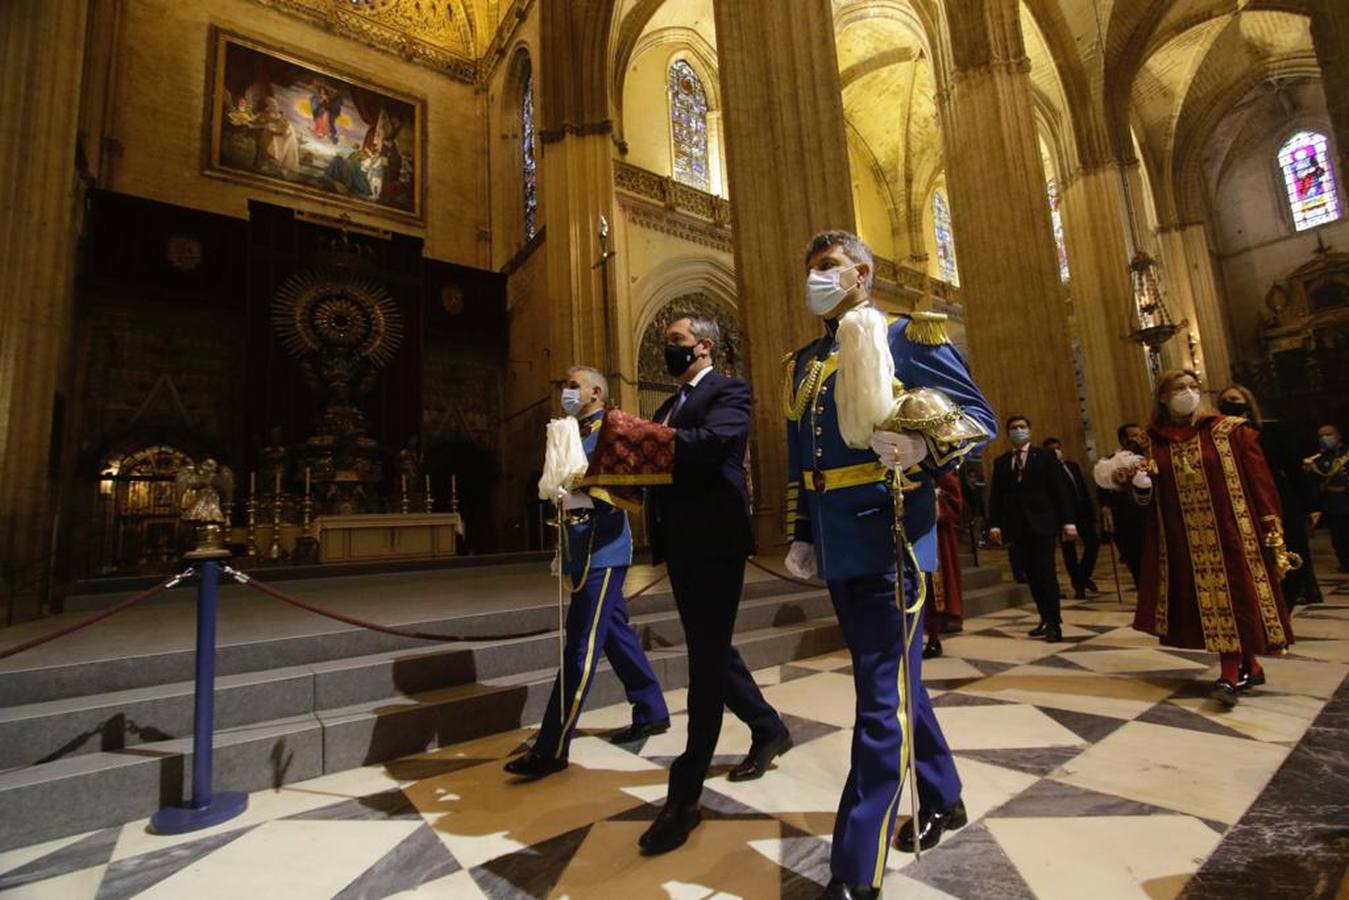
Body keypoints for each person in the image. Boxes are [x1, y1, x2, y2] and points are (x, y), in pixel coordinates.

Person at [782, 230, 995, 899]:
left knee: (878, 701)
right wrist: (799, 531)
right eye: (810, 270)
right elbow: (801, 455)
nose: (816, 279)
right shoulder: (806, 362)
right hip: (835, 539)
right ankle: (944, 795)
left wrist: (921, 449)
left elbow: (978, 419)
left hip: (890, 536)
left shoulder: (908, 337)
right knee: (894, 684)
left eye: (827, 268)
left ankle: (856, 864)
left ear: (861, 272)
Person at [637, 315, 791, 855]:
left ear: (703, 347)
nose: (669, 348)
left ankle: (684, 795)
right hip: (679, 542)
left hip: (715, 540)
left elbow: (711, 444)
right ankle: (768, 727)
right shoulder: (666, 406)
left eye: (677, 341)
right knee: (711, 647)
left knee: (704, 663)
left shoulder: (730, 391)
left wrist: (643, 438)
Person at [504, 367, 671, 778]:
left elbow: (627, 482)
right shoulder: (568, 432)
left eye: (574, 385)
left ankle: (552, 746)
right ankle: (651, 708)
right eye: (564, 385)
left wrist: (581, 484)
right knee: (612, 628)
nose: (566, 391)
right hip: (576, 546)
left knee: (580, 643)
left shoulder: (613, 430)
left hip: (606, 548)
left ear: (596, 391)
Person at [1127, 370, 1295, 707]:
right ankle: (1251, 664)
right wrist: (1140, 484)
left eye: (1193, 387)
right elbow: (1145, 499)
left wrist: (1272, 532)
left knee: (1234, 601)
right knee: (1209, 605)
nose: (1188, 393)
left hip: (1232, 532)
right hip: (1182, 536)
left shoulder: (1229, 432)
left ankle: (1229, 675)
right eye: (1179, 388)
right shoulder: (1151, 441)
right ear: (1163, 396)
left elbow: (1262, 485)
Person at [1217, 385, 1320, 606]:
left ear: (1247, 402)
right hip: (1241, 500)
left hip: (1278, 497)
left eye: (1234, 399)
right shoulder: (1217, 438)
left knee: (1287, 552)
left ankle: (1291, 600)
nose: (1229, 403)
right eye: (1224, 400)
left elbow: (1293, 469)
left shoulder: (1270, 433)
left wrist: (1311, 505)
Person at [987, 416, 1077, 641]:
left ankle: (1055, 623)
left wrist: (1068, 522)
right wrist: (995, 524)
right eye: (1014, 428)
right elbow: (996, 497)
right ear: (1008, 433)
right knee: (1031, 576)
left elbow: (1060, 491)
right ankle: (1044, 618)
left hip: (1043, 523)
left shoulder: (1045, 456)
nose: (1018, 431)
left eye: (1022, 427)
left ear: (1029, 430)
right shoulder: (1001, 462)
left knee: (1046, 573)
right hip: (1017, 526)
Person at [1094, 423, 1150, 589]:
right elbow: (1103, 487)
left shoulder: (1150, 456)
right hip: (1125, 516)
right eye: (1133, 435)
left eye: (1140, 435)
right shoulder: (1112, 461)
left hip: (1151, 514)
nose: (1138, 439)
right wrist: (1105, 507)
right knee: (1134, 556)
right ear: (1123, 439)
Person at [1043, 437, 1099, 598]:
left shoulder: (1072, 466)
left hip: (1082, 511)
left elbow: (1083, 488)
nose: (1056, 452)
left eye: (1057, 448)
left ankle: (1082, 575)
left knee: (1093, 543)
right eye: (1052, 450)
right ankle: (1078, 585)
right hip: (1063, 515)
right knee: (1069, 552)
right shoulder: (1048, 471)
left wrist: (1092, 513)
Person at [923, 469, 965, 659]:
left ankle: (933, 636)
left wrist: (933, 502)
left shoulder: (945, 476)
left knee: (934, 588)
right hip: (909, 535)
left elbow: (955, 506)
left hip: (936, 537)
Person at [1305, 423, 1349, 573]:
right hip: (1334, 501)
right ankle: (1345, 562)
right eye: (1321, 436)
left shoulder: (1346, 453)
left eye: (1328, 435)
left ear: (1338, 435)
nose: (1325, 438)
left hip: (1346, 496)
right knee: (1338, 535)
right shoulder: (1319, 458)